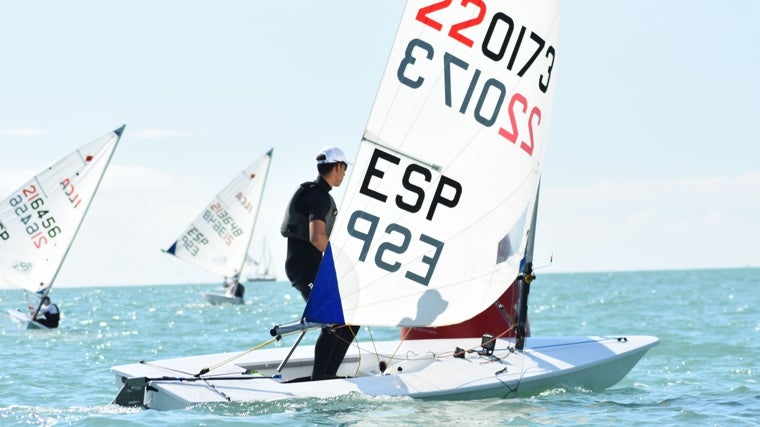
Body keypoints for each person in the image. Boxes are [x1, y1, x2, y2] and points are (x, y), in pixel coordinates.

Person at [281, 146, 359, 380]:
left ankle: (328, 376)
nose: (344, 174)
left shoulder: (315, 193)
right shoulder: (319, 197)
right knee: (335, 320)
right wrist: (345, 262)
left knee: (351, 319)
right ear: (337, 167)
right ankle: (321, 379)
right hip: (304, 268)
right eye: (344, 169)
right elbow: (317, 238)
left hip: (310, 266)